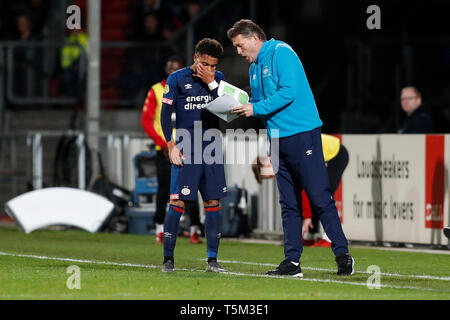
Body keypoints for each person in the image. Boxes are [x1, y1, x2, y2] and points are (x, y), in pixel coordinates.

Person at [228, 19, 354, 277]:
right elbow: (260, 101)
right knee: (288, 204)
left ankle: (343, 256)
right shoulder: (254, 68)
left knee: (320, 198)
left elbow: (290, 92)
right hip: (276, 139)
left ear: (254, 38)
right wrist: (235, 101)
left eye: (240, 46)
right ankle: (292, 262)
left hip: (301, 134)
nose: (238, 52)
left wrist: (255, 108)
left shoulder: (281, 53)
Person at [160, 38, 227, 273]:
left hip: (211, 147)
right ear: (195, 57)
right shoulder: (176, 79)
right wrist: (170, 145)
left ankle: (212, 260)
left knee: (212, 201)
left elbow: (227, 110)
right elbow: (165, 115)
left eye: (213, 66)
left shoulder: (219, 81)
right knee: (177, 201)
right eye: (205, 64)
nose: (209, 69)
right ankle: (168, 259)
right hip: (185, 148)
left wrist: (211, 83)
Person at [141, 55, 203, 245]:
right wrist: (163, 143)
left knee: (191, 189)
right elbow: (146, 121)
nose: (173, 72)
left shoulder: (190, 87)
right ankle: (160, 229)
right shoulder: (156, 90)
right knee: (164, 189)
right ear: (166, 70)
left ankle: (194, 229)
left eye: (177, 68)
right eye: (170, 68)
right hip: (166, 148)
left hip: (188, 146)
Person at [252, 134, 349, 248]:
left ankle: (329, 238)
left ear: (267, 164)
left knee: (323, 196)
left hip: (336, 153)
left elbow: (302, 188)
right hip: (320, 152)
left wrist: (307, 217)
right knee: (315, 195)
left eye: (268, 176)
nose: (272, 178)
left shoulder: (282, 158)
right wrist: (306, 216)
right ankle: (310, 236)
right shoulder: (278, 156)